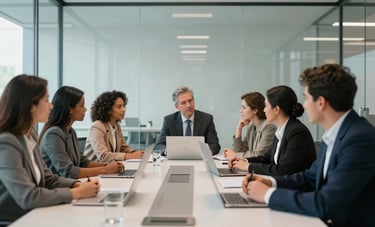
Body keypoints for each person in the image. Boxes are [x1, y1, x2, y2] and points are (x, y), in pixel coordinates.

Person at [242, 64, 375, 227]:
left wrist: (268, 194)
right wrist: (270, 182)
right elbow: (309, 178)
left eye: (306, 98)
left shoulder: (359, 139)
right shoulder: (335, 133)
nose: (303, 105)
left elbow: (326, 203)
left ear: (321, 103)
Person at [0, 75, 99, 223]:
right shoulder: (7, 143)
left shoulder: (28, 137)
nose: (51, 106)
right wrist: (76, 193)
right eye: (46, 100)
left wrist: (76, 184)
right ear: (30, 105)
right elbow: (29, 197)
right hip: (16, 221)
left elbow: (48, 179)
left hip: (35, 216)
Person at [228, 85, 316, 176]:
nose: (264, 110)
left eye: (266, 106)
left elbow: (282, 170)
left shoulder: (297, 132)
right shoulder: (282, 129)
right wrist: (245, 161)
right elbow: (268, 158)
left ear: (277, 109)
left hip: (294, 187)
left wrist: (248, 166)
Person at [39, 86, 124, 179]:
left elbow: (82, 162)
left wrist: (107, 166)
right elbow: (68, 171)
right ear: (70, 109)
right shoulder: (53, 134)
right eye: (81, 105)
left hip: (72, 184)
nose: (85, 109)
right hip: (58, 188)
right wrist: (106, 170)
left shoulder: (71, 131)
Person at [154, 86, 220, 155]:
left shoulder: (206, 119)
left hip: (200, 161)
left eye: (190, 101)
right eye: (183, 103)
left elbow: (215, 145)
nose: (188, 105)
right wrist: (169, 151)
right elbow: (159, 145)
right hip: (176, 161)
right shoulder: (169, 121)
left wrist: (204, 153)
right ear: (177, 106)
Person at [84, 90, 144, 162]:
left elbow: (123, 147)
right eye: (119, 107)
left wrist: (135, 152)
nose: (124, 110)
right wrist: (129, 156)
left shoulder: (116, 126)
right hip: (95, 170)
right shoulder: (97, 126)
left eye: (124, 106)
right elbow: (103, 156)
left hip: (109, 168)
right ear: (108, 110)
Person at [223, 92, 276, 159]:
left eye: (244, 108)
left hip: (262, 167)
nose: (240, 111)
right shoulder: (251, 126)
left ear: (255, 110)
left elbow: (259, 154)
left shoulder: (269, 127)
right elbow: (238, 151)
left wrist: (235, 155)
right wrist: (238, 129)